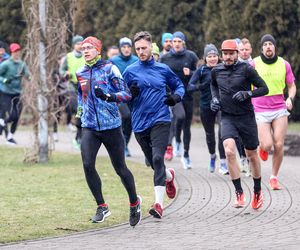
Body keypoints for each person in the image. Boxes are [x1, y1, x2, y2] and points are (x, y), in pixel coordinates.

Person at [76, 36, 141, 227]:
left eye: (90, 48)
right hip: (90, 127)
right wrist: (79, 113)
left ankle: (134, 202)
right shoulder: (80, 72)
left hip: (111, 126)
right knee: (88, 164)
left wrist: (108, 96)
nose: (86, 51)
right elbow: (81, 95)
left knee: (120, 168)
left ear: (98, 50)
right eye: (83, 48)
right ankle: (102, 206)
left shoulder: (109, 68)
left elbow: (126, 94)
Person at [123, 31, 184, 218]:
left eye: (144, 48)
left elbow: (179, 86)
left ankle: (158, 204)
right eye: (138, 49)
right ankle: (169, 176)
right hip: (140, 124)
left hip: (161, 119)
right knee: (152, 163)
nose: (141, 51)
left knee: (158, 159)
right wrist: (129, 94)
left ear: (151, 47)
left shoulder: (162, 69)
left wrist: (175, 97)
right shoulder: (130, 71)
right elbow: (121, 95)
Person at [211, 39, 268, 209]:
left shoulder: (247, 69)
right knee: (229, 151)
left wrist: (247, 93)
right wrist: (215, 99)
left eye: (231, 53)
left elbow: (264, 88)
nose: (228, 57)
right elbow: (213, 86)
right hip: (227, 117)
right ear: (222, 55)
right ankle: (239, 192)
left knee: (251, 155)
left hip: (246, 117)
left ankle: (257, 191)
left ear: (236, 54)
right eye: (225, 54)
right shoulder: (216, 71)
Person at [251, 34, 296, 190]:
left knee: (279, 144)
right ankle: (262, 147)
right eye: (265, 44)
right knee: (268, 144)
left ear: (274, 47)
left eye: (271, 44)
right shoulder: (253, 64)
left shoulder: (284, 64)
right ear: (262, 47)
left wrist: (290, 98)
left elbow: (291, 85)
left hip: (279, 108)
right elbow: (244, 82)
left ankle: (273, 178)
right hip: (260, 108)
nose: (268, 46)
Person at [160, 31, 199, 169]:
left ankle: (186, 155)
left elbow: (199, 74)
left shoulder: (191, 56)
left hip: (188, 94)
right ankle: (177, 140)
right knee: (180, 116)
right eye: (174, 41)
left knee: (187, 126)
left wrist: (192, 73)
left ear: (183, 42)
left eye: (178, 41)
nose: (176, 43)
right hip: (174, 95)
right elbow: (161, 76)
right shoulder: (165, 58)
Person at [188, 44, 228, 174]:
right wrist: (202, 85)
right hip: (206, 106)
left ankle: (223, 162)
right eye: (210, 56)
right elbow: (190, 86)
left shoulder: (223, 68)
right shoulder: (201, 70)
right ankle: (212, 156)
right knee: (210, 135)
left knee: (222, 132)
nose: (212, 59)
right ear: (205, 58)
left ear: (218, 56)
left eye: (215, 56)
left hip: (222, 105)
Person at [110, 37, 139, 157]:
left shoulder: (136, 59)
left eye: (128, 47)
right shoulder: (113, 60)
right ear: (120, 48)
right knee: (126, 115)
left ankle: (125, 145)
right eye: (123, 47)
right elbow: (108, 75)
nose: (126, 49)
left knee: (131, 120)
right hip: (120, 94)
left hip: (134, 95)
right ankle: (120, 144)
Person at [0, 43, 30, 144]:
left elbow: (28, 75)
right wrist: (4, 80)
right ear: (11, 52)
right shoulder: (6, 64)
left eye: (18, 51)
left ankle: (10, 135)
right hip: (6, 93)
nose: (17, 53)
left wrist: (31, 79)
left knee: (17, 116)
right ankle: (3, 122)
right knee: (13, 115)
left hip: (18, 93)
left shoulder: (22, 64)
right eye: (15, 51)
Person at [59, 35, 85, 149]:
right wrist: (66, 74)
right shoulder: (68, 57)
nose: (80, 46)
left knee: (82, 112)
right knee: (78, 109)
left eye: (81, 43)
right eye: (77, 43)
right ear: (74, 45)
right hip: (71, 86)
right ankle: (78, 136)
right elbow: (61, 70)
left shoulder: (86, 56)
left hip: (84, 87)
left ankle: (78, 138)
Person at [237, 38, 254, 176]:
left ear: (251, 50)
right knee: (240, 136)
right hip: (240, 104)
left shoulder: (256, 64)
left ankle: (251, 160)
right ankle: (244, 158)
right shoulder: (234, 64)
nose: (244, 52)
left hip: (256, 102)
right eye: (241, 50)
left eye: (246, 49)